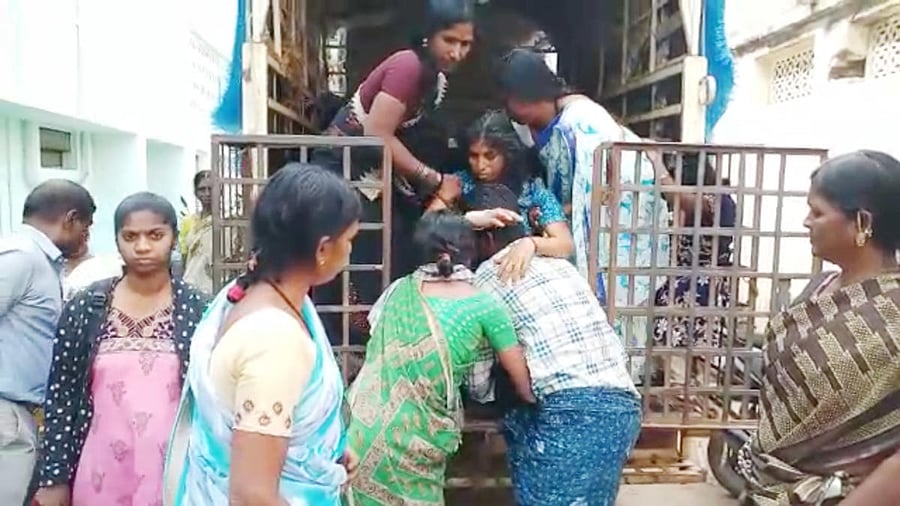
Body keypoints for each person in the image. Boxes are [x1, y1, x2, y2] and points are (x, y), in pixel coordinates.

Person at [164, 163, 361, 506]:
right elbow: (252, 495)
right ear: (323, 249)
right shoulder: (275, 340)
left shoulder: (246, 296)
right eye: (349, 240)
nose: (350, 250)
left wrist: (320, 449)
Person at [739, 150, 900, 505]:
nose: (806, 222)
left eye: (818, 212)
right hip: (768, 488)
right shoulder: (818, 289)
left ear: (862, 223)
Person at [466, 183, 641, 506]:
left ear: (485, 238)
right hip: (625, 407)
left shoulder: (488, 276)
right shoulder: (563, 267)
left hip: (571, 413)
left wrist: (485, 397)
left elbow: (478, 378)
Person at [345, 209, 535, 506]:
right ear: (471, 250)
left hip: (356, 433)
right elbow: (522, 384)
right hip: (416, 443)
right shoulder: (485, 304)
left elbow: (375, 336)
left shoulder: (398, 291)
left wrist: (460, 223)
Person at [31, 192, 207, 506]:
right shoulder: (88, 306)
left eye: (155, 235)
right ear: (116, 241)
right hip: (99, 475)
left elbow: (209, 398)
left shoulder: (196, 309)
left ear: (174, 239)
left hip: (176, 476)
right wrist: (54, 478)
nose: (142, 247)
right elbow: (62, 395)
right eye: (130, 236)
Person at [317, 0, 475, 279]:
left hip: (373, 179)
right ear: (428, 35)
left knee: (392, 248)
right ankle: (353, 322)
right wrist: (435, 180)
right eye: (449, 40)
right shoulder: (407, 66)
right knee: (360, 265)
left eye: (465, 44)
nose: (457, 52)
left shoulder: (435, 80)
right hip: (340, 173)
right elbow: (376, 135)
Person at [0, 179, 94, 506]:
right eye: (86, 226)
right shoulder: (20, 257)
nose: (86, 236)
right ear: (70, 219)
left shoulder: (41, 261)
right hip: (6, 413)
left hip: (22, 416)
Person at [428, 109, 575, 282]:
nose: (481, 165)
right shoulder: (458, 184)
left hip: (515, 279)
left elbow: (565, 244)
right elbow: (426, 228)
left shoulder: (531, 190)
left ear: (508, 153)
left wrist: (531, 244)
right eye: (474, 156)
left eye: (490, 156)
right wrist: (466, 219)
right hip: (463, 279)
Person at [653, 155, 737, 349]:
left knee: (694, 352)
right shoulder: (713, 200)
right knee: (687, 353)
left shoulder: (718, 200)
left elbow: (683, 200)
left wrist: (659, 167)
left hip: (703, 287)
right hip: (691, 286)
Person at [179, 170, 213, 294]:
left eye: (211, 189)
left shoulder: (226, 222)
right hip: (191, 283)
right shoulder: (189, 221)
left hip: (214, 284)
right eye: (202, 189)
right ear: (196, 193)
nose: (207, 193)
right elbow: (184, 254)